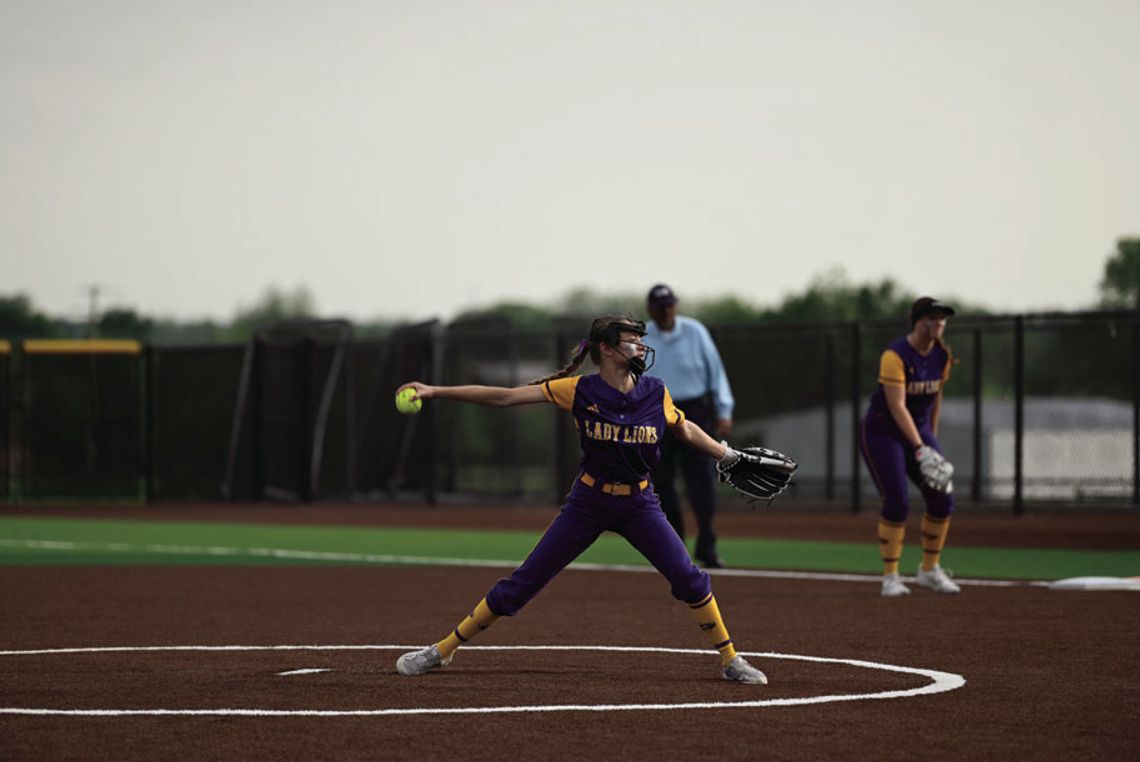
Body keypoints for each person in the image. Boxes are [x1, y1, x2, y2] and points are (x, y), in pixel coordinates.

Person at [393, 314, 768, 684]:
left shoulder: (656, 391)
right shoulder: (578, 390)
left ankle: (730, 660)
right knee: (522, 584)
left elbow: (684, 428)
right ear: (606, 349)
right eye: (632, 340)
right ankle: (442, 650)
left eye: (640, 339)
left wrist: (727, 455)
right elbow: (505, 398)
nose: (641, 346)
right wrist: (435, 391)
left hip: (639, 504)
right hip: (588, 503)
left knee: (689, 578)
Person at [860, 297, 961, 598]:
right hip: (883, 431)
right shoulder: (895, 355)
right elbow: (897, 406)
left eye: (943, 318)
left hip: (919, 431)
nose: (939, 323)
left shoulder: (942, 355)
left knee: (942, 497)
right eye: (933, 317)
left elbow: (935, 399)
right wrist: (920, 447)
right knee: (897, 501)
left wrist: (932, 441)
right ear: (918, 321)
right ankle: (891, 577)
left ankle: (929, 570)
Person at [643, 284, 735, 568]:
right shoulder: (643, 336)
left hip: (694, 410)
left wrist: (723, 409)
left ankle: (707, 544)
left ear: (676, 305)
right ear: (651, 310)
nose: (666, 312)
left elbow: (715, 371)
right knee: (662, 482)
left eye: (669, 306)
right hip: (656, 412)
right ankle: (675, 548)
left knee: (702, 480)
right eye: (660, 308)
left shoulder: (694, 331)